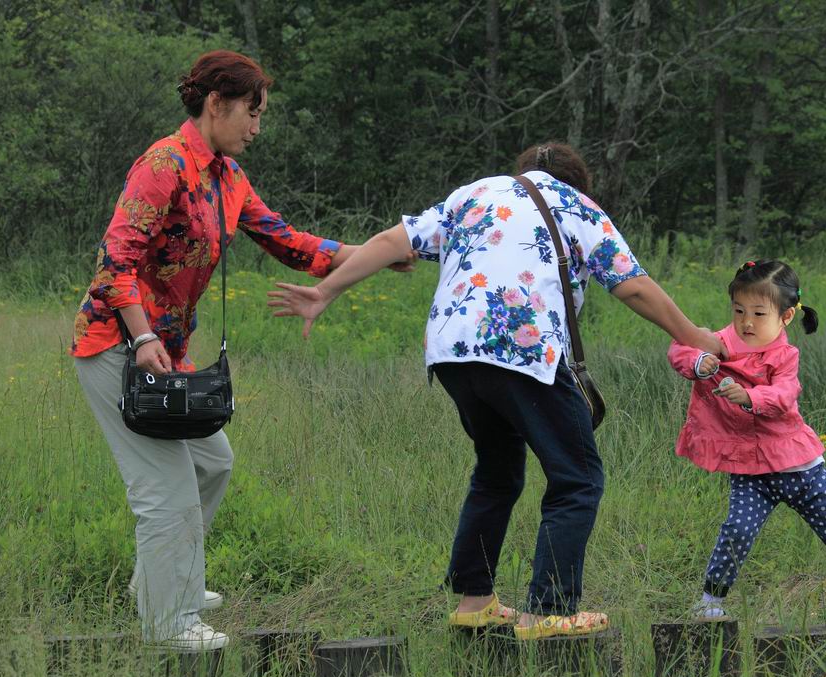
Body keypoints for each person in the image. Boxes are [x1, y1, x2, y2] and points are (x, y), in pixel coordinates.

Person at [267, 143, 725, 639]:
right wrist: (694, 337)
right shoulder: (577, 205)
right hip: (520, 348)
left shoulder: (475, 193)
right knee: (578, 478)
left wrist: (324, 291)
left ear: (523, 172)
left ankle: (475, 600)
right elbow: (632, 286)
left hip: (453, 352)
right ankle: (548, 609)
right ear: (578, 182)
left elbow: (390, 242)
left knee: (498, 471)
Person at [71, 50, 364, 650]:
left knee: (212, 463)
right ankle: (168, 622)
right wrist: (144, 335)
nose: (257, 127)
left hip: (162, 359)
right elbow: (113, 261)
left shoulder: (226, 177)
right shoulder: (164, 164)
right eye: (252, 113)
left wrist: (380, 252)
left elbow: (286, 241)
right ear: (217, 104)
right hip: (115, 348)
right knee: (166, 490)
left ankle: (161, 579)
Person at [668, 259, 826, 621]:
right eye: (739, 310)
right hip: (751, 471)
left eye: (758, 313)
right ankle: (711, 600)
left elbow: (785, 394)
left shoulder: (786, 356)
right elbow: (681, 346)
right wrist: (699, 362)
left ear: (785, 317)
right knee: (737, 530)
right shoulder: (719, 342)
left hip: (800, 469)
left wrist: (751, 397)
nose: (746, 322)